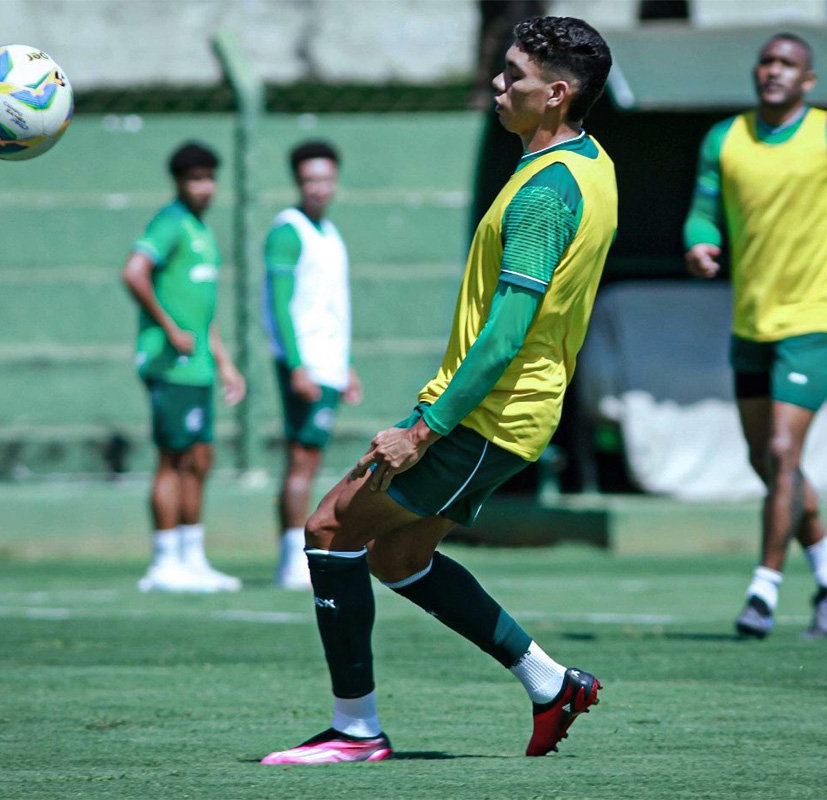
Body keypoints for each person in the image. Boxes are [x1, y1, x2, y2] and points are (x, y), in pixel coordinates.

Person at [262, 15, 617, 764]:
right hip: (512, 414)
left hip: (484, 414)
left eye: (514, 74)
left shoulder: (544, 194)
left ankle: (355, 731)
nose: (498, 82)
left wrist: (421, 430)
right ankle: (551, 684)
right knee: (397, 558)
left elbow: (505, 336)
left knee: (328, 528)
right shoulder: (591, 163)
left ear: (557, 94)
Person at [683, 33, 827, 639]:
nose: (774, 70)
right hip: (751, 323)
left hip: (817, 319)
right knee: (767, 461)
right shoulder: (724, 139)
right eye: (766, 61)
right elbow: (703, 211)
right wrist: (700, 241)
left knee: (783, 452)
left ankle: (763, 591)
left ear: (808, 80)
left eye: (787, 63)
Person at [122, 142, 246, 593]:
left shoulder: (202, 231)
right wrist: (170, 328)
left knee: (200, 459)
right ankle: (163, 562)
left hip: (198, 367)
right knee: (172, 459)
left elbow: (202, 314)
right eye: (196, 179)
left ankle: (192, 560)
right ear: (178, 182)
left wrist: (226, 364)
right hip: (169, 364)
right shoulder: (170, 222)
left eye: (210, 178)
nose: (205, 187)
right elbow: (133, 272)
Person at [263, 141, 363, 590]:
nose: (319, 188)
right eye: (310, 180)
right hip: (306, 363)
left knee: (311, 458)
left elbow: (332, 306)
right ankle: (291, 559)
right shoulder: (288, 231)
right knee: (301, 460)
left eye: (325, 178)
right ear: (298, 182)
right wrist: (296, 366)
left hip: (329, 363)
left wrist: (347, 364)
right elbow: (280, 305)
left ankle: (299, 556)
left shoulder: (331, 233)